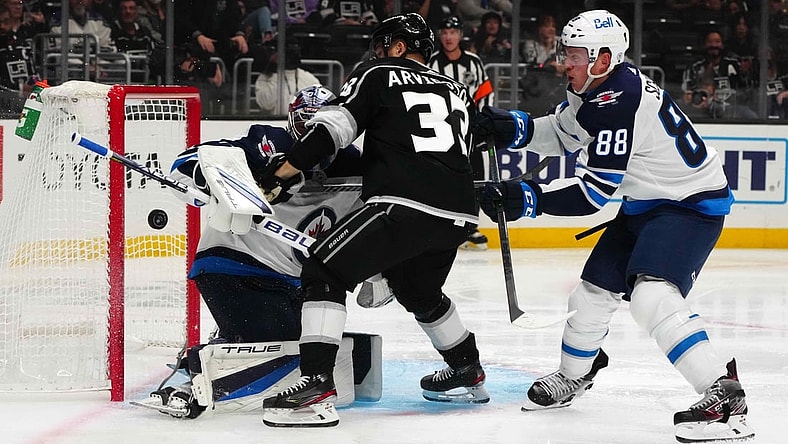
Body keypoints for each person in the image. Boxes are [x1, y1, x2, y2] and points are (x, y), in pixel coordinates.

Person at [472, 9, 754, 443]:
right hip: (647, 202)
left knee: (652, 295)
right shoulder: (595, 89)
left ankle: (725, 397)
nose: (565, 62)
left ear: (603, 59)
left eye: (575, 55)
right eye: (567, 52)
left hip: (689, 207)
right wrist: (511, 127)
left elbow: (592, 196)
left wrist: (527, 198)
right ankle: (574, 375)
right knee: (592, 293)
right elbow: (564, 132)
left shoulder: (618, 100)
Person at [257, 13, 489, 427]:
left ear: (398, 47)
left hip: (404, 203)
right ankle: (466, 367)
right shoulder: (457, 89)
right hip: (458, 213)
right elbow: (468, 154)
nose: (378, 52)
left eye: (384, 45)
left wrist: (283, 171)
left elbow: (333, 130)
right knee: (418, 290)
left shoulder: (378, 73)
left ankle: (316, 384)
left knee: (323, 269)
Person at [138, 85, 385, 419]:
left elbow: (374, 220)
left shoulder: (356, 165)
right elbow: (185, 163)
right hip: (233, 263)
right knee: (284, 351)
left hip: (291, 281)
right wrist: (222, 182)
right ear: (291, 122)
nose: (312, 136)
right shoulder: (267, 145)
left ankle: (229, 341)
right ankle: (187, 376)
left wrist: (378, 274)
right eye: (304, 125)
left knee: (312, 352)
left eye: (319, 128)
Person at [428, 14, 492, 250]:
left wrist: (483, 124)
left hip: (471, 131)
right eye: (444, 32)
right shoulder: (431, 62)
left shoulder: (474, 62)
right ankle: (443, 223)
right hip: (442, 131)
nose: (448, 37)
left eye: (453, 32)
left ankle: (471, 225)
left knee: (474, 176)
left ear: (460, 35)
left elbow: (485, 92)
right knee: (442, 176)